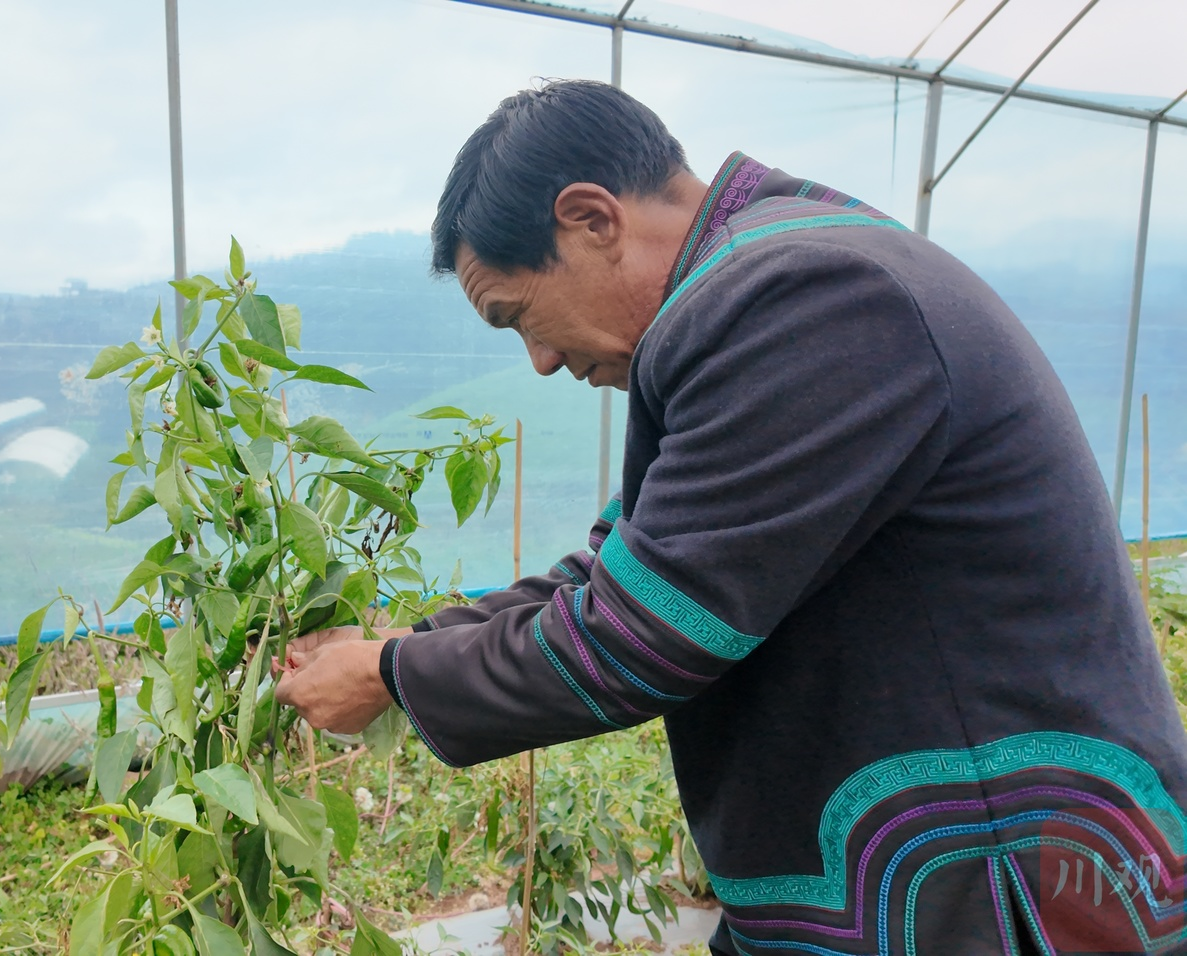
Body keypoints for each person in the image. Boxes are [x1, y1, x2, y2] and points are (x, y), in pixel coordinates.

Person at [274, 79, 1187, 955]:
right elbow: (623, 566)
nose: (541, 359)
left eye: (521, 316)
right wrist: (420, 639)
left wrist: (392, 675)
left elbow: (641, 635)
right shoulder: (769, 283)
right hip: (936, 878)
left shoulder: (802, 299)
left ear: (592, 219)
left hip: (991, 886)